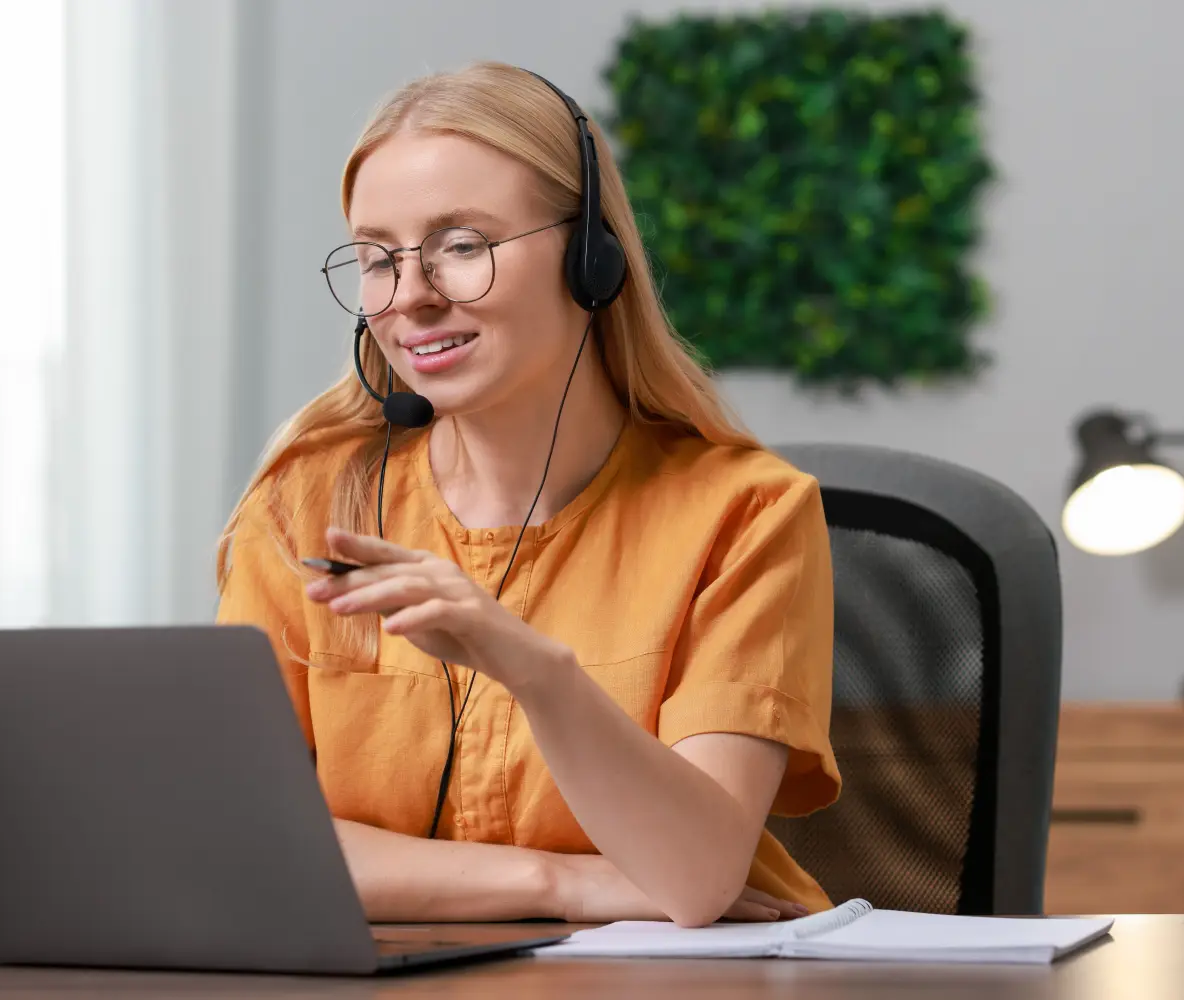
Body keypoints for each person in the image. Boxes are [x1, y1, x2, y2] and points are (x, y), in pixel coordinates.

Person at [215, 61, 840, 929]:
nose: (411, 299)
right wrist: (565, 884)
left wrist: (532, 669)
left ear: (591, 259)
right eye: (375, 259)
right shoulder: (302, 508)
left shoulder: (747, 514)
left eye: (462, 246)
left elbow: (693, 879)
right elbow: (241, 847)